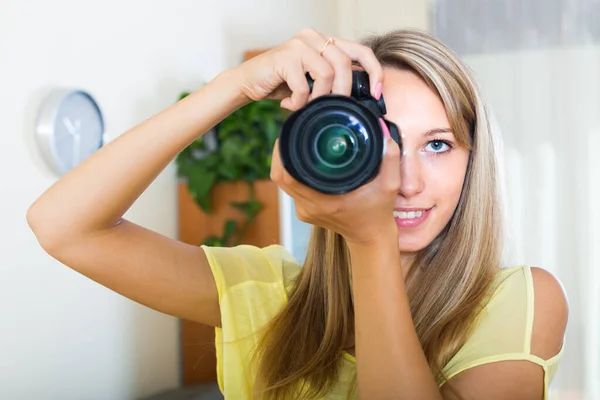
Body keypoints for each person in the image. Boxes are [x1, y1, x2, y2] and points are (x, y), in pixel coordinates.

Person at [27, 28, 568, 400]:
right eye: (382, 142)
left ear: (475, 164)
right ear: (325, 153)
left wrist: (369, 239)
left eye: (438, 146)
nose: (404, 181)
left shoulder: (520, 302)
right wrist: (233, 88)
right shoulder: (264, 295)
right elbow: (62, 226)